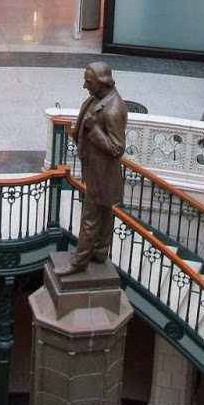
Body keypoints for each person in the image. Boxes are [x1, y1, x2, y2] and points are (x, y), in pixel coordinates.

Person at [66, 62, 128, 273]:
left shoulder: (113, 109)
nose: (85, 86)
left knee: (90, 217)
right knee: (103, 212)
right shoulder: (96, 100)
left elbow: (117, 148)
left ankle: (79, 261)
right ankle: (100, 251)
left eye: (88, 82)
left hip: (101, 174)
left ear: (102, 83)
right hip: (94, 169)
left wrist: (93, 130)